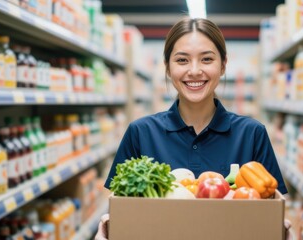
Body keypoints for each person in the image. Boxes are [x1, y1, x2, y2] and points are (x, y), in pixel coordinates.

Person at [95, 17, 291, 240]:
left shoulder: (252, 134)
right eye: (182, 60)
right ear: (167, 68)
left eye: (207, 59)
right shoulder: (141, 133)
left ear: (223, 65)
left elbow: (273, 207)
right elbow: (120, 206)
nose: (195, 71)